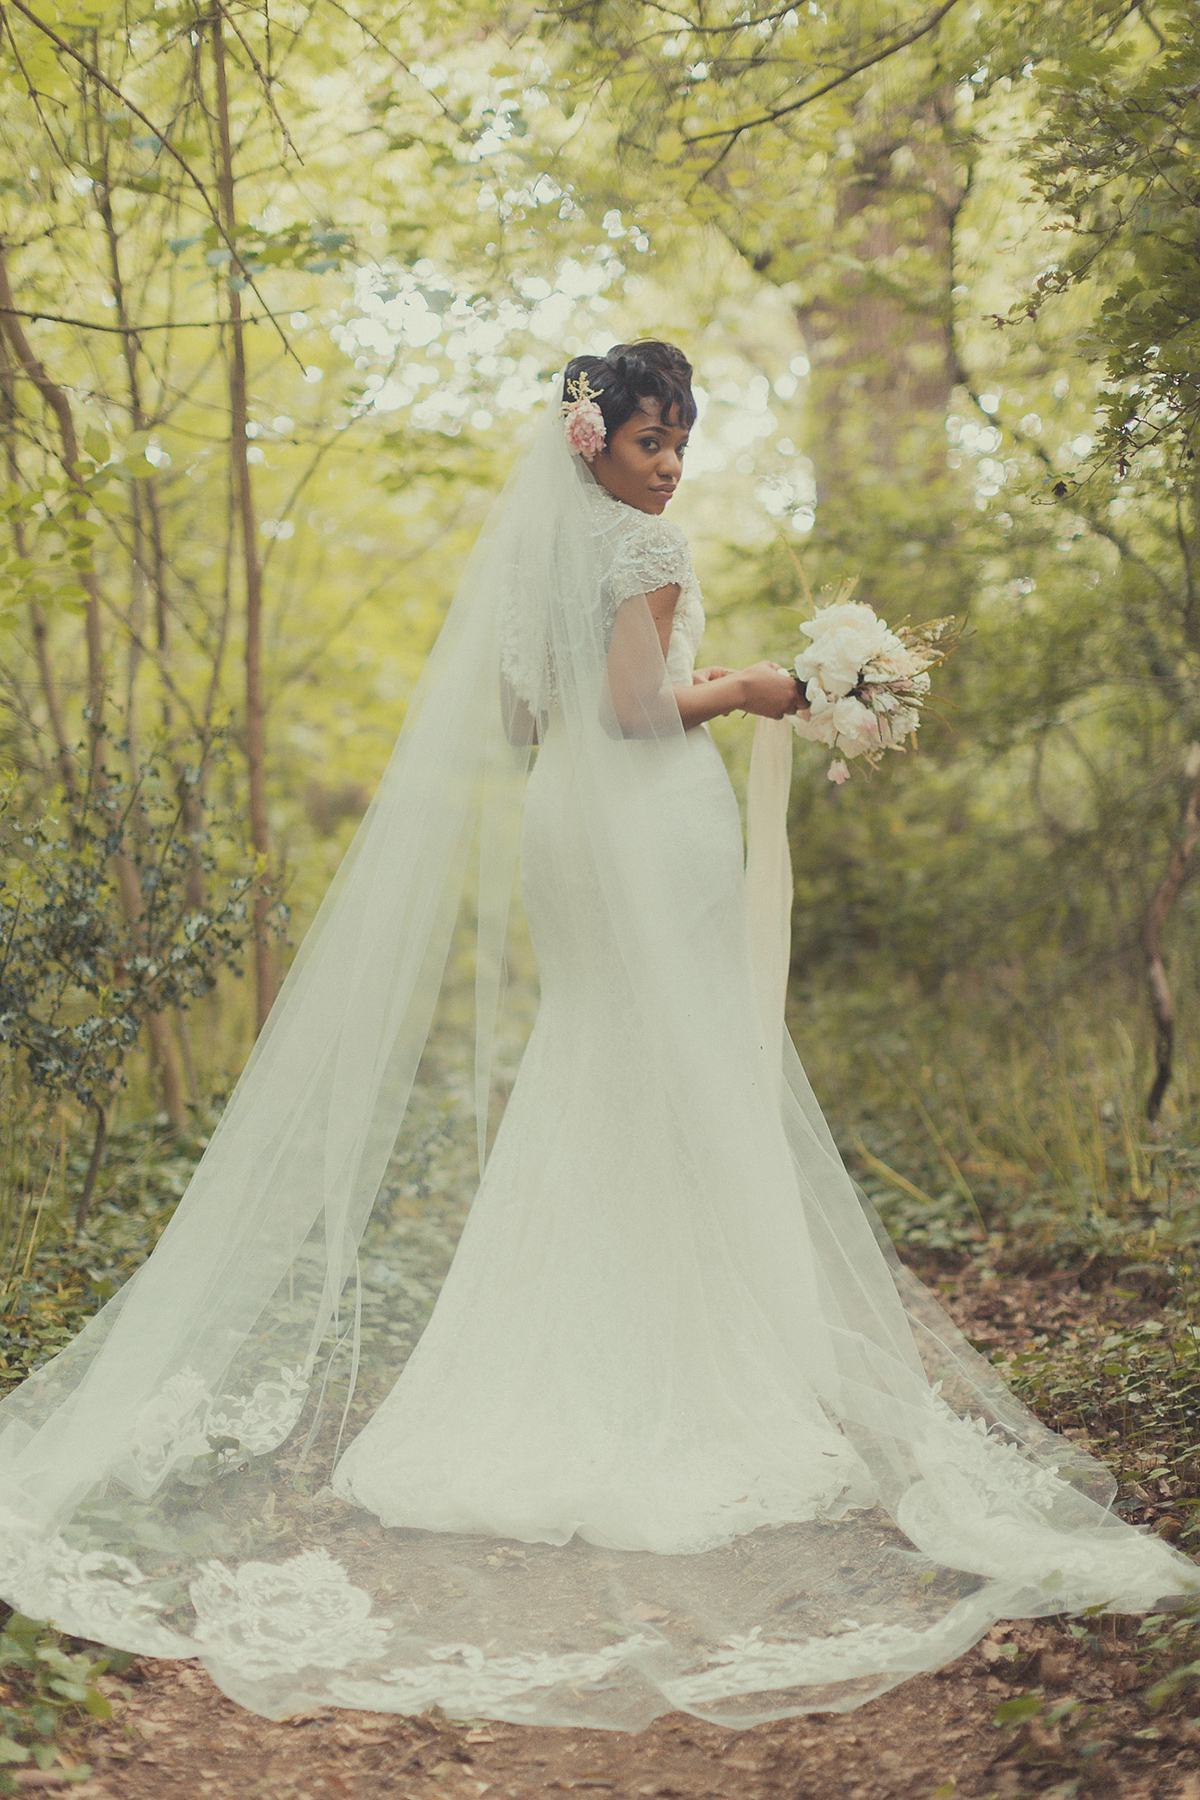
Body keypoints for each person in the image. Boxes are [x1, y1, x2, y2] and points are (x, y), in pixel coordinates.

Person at [0, 342, 1192, 1730]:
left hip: (563, 824)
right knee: (671, 1074)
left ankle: (564, 1366)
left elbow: (530, 720)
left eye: (680, 434)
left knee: (594, 1067)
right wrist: (755, 690)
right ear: (596, 445)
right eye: (644, 438)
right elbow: (638, 712)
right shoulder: (646, 550)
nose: (669, 459)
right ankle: (671, 1378)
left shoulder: (537, 571)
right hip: (643, 819)